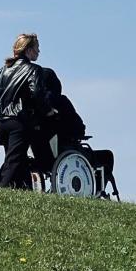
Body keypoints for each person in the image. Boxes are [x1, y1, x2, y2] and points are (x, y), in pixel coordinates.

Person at [34, 68, 119, 197]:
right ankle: (97, 191)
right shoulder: (61, 102)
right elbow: (79, 127)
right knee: (107, 156)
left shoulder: (32, 106)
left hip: (40, 156)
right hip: (64, 152)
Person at [0, 33, 51, 189]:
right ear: (28, 50)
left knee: (17, 160)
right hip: (18, 120)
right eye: (36, 48)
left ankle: (23, 189)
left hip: (0, 122)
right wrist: (47, 110)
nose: (39, 51)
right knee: (14, 161)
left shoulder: (1, 71)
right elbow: (37, 94)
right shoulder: (34, 69)